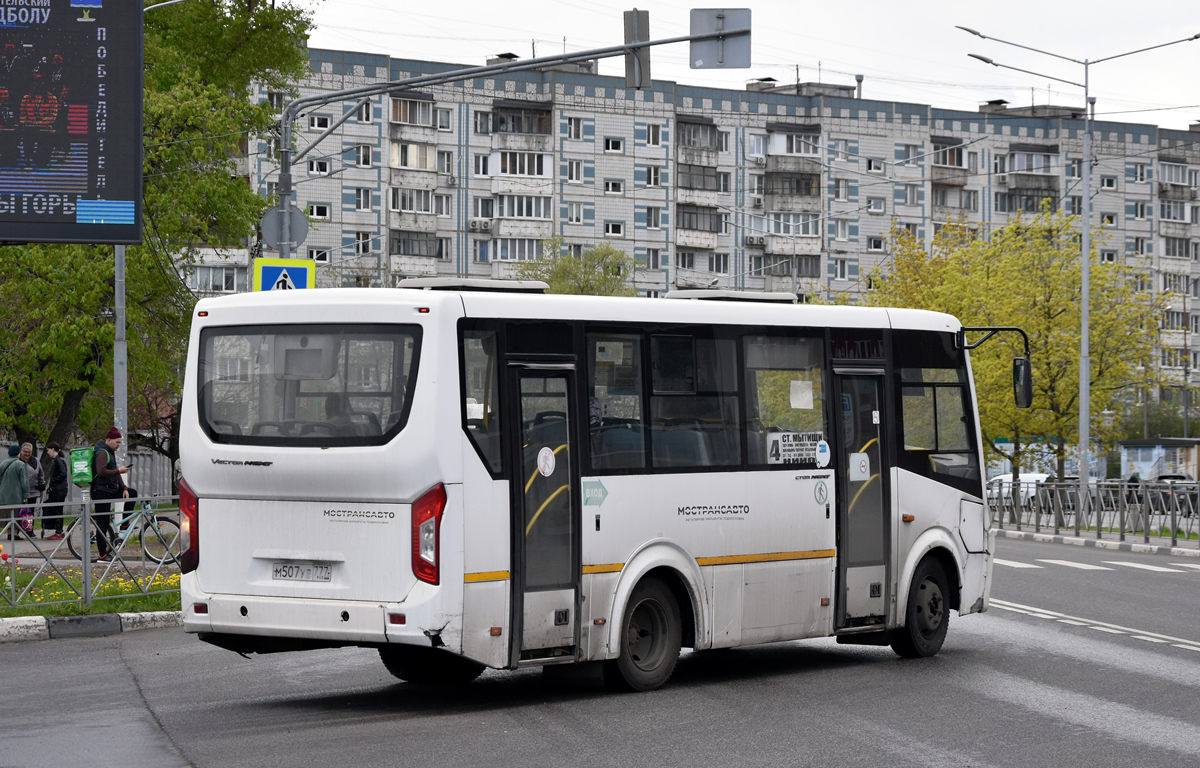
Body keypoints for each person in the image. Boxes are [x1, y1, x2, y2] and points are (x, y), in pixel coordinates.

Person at [90, 427, 130, 561]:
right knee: (102, 524)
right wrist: (119, 471)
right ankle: (102, 555)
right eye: (117, 442)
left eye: (120, 442)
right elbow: (101, 472)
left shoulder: (110, 452)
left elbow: (115, 472)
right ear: (109, 440)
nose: (118, 445)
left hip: (109, 489)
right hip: (101, 491)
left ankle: (125, 524)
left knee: (132, 493)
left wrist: (124, 488)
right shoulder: (102, 452)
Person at [1, 445, 28, 540]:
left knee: (7, 514)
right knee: (16, 514)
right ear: (18, 453)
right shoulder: (20, 464)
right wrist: (26, 494)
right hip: (16, 495)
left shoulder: (3, 463)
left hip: (3, 495)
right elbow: (24, 482)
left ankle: (9, 533)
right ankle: (14, 535)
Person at [43, 442, 68, 539]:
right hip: (59, 489)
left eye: (48, 450)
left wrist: (54, 481)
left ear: (53, 449)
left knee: (58, 510)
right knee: (57, 509)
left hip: (59, 490)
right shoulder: (57, 460)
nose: (48, 452)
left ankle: (58, 532)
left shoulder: (59, 461)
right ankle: (59, 531)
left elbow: (63, 473)